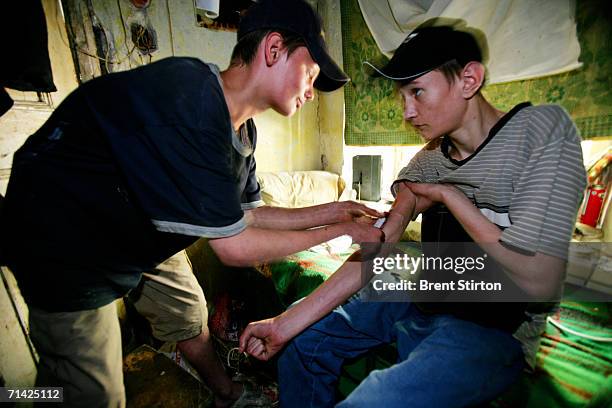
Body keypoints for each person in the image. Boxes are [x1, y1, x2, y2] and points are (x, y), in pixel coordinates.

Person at [0, 0, 385, 406]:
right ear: (273, 50)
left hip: (141, 222)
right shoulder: (192, 98)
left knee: (185, 313)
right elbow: (234, 246)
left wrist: (336, 210)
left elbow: (247, 215)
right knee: (90, 392)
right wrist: (341, 231)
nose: (311, 92)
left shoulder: (242, 130)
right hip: (66, 237)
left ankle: (226, 394)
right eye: (310, 74)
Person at [239, 23, 587, 407]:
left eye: (417, 92)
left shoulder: (541, 137)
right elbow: (380, 245)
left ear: (469, 79)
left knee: (373, 401)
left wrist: (451, 198)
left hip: (495, 325)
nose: (407, 111)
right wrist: (283, 326)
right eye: (402, 96)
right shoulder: (431, 159)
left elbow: (539, 280)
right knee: (302, 342)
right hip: (424, 291)